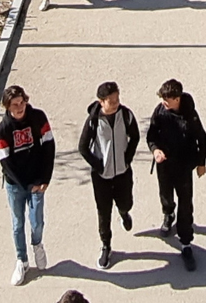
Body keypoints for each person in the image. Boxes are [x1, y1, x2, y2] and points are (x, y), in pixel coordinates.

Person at [0, 84, 55, 287]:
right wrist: (24, 184)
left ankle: (37, 244)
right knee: (17, 223)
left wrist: (45, 178)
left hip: (37, 181)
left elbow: (49, 146)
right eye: (15, 104)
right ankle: (22, 260)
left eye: (22, 102)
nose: (20, 107)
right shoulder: (3, 129)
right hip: (16, 184)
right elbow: (5, 162)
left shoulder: (38, 117)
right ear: (8, 106)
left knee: (37, 220)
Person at [147, 79, 206, 272]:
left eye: (167, 100)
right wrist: (155, 151)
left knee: (186, 203)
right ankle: (168, 213)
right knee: (165, 194)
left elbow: (202, 138)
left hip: (184, 166)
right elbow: (151, 136)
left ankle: (186, 242)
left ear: (177, 98)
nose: (164, 103)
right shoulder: (159, 112)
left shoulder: (190, 114)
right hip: (164, 164)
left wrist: (201, 162)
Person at [78, 81, 140, 271]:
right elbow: (83, 147)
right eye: (111, 101)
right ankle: (106, 245)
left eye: (117, 99)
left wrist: (127, 158)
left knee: (126, 202)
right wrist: (98, 165)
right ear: (101, 101)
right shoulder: (93, 120)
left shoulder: (126, 115)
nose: (115, 104)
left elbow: (135, 136)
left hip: (122, 171)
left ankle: (124, 212)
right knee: (104, 212)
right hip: (101, 177)